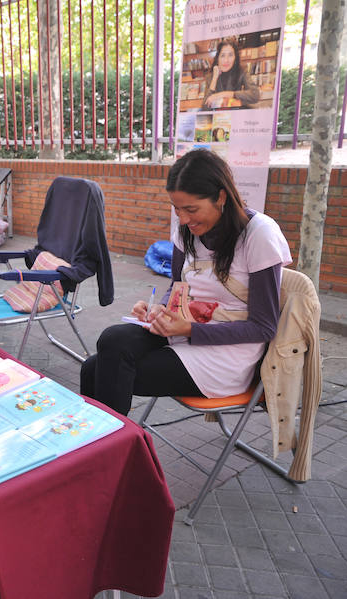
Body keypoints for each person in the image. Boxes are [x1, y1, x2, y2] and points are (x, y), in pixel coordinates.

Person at [80, 149, 291, 417]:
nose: (183, 219)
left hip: (226, 356)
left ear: (221, 196)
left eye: (191, 209)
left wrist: (191, 330)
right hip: (184, 331)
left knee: (98, 370)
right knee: (111, 340)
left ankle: (110, 448)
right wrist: (160, 309)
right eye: (177, 209)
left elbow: (263, 328)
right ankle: (104, 446)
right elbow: (176, 287)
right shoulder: (186, 231)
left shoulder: (259, 234)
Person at [203, 40, 260, 110]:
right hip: (218, 118)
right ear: (218, 58)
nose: (226, 60)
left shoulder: (241, 72)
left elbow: (255, 95)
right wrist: (214, 78)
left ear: (235, 58)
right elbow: (205, 107)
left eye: (230, 55)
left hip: (236, 115)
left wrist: (224, 94)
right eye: (223, 55)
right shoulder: (210, 77)